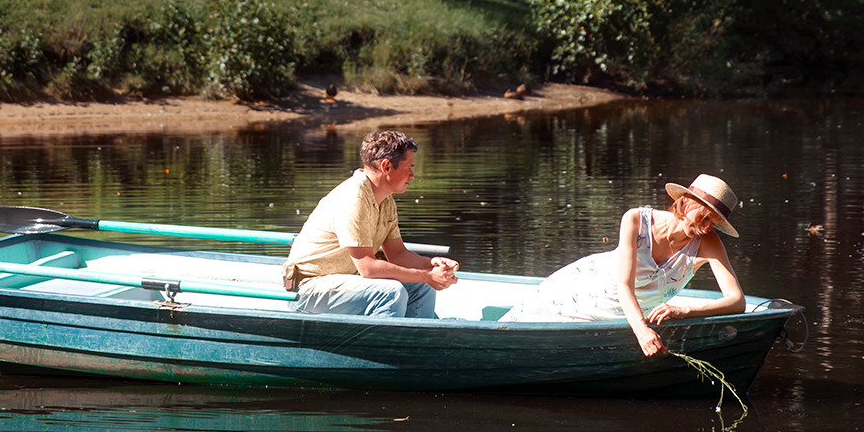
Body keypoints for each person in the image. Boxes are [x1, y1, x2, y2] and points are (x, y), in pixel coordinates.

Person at [505, 173, 744, 354]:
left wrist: (684, 310)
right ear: (685, 202)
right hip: (582, 292)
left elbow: (737, 301)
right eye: (704, 217)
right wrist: (642, 331)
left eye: (713, 223)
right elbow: (624, 286)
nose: (705, 228)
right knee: (518, 334)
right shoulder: (636, 220)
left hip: (628, 315)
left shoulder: (708, 243)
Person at [283, 130, 460, 317]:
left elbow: (398, 254)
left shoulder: (386, 199)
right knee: (391, 293)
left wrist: (430, 265)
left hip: (347, 281)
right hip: (308, 289)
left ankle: (415, 336)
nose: (413, 175)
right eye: (408, 168)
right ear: (386, 166)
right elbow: (368, 268)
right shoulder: (353, 198)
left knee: (422, 286)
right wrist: (427, 276)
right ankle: (383, 337)